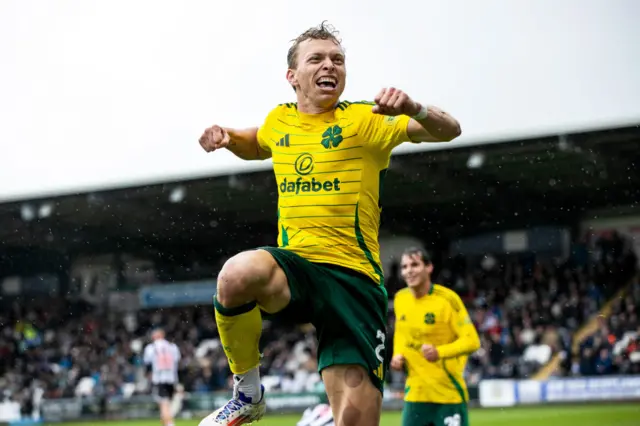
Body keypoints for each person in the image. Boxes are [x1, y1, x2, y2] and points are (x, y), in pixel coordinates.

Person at [197, 21, 461, 426]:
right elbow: (259, 142)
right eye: (317, 58)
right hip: (297, 269)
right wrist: (228, 137)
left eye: (338, 59)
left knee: (355, 419)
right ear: (292, 76)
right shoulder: (280, 121)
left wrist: (414, 108)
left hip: (354, 284)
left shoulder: (367, 120)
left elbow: (449, 130)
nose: (330, 66)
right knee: (236, 274)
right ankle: (248, 394)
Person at [390, 248, 480, 426]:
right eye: (404, 267)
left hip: (447, 394)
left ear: (429, 267)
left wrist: (439, 352)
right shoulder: (400, 299)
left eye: (415, 265)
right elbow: (401, 332)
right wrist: (397, 354)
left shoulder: (447, 299)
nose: (409, 271)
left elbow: (472, 341)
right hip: (416, 394)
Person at [143, 328, 181, 426]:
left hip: (159, 379)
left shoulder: (151, 347)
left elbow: (147, 363)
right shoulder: (172, 346)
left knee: (163, 403)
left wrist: (148, 374)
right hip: (171, 378)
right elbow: (177, 361)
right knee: (167, 402)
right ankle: (165, 423)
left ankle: (170, 424)